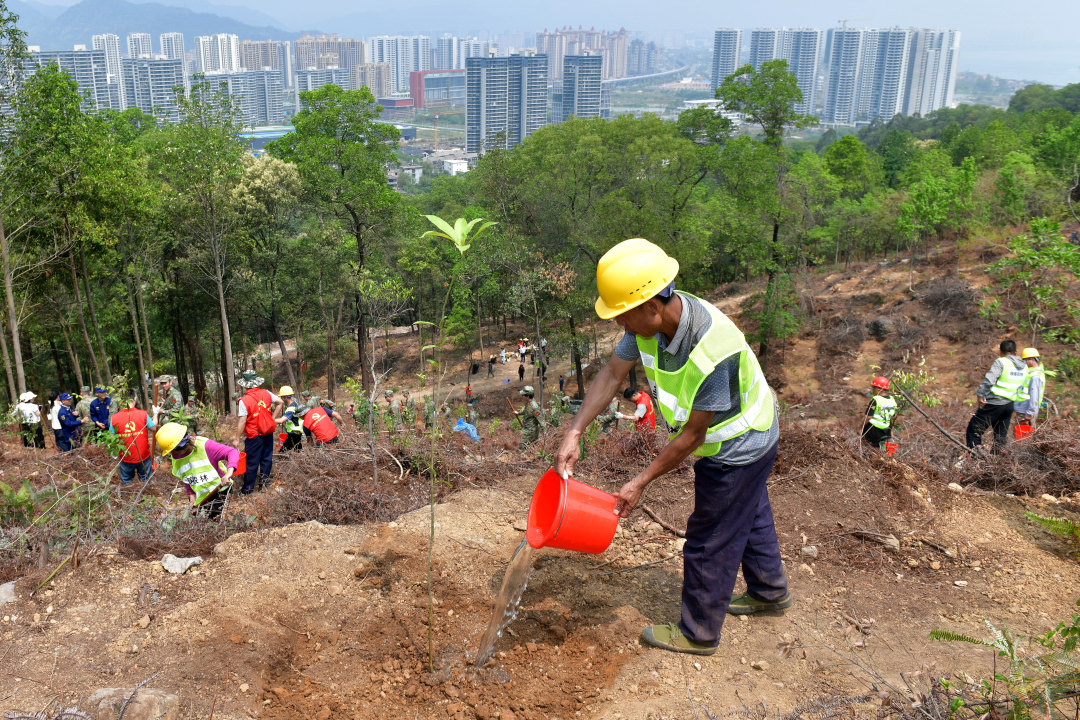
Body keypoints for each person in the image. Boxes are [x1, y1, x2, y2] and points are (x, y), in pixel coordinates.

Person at [554, 238, 787, 656]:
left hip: (741, 444)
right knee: (748, 511)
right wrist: (575, 432)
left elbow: (693, 437)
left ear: (652, 306)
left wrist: (640, 481)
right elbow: (611, 374)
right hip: (741, 438)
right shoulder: (650, 324)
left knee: (708, 536)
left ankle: (698, 632)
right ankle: (769, 592)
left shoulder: (714, 350)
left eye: (623, 317)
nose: (620, 327)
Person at [156, 422, 237, 519]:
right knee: (197, 519)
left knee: (211, 520)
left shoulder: (206, 446)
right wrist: (191, 496)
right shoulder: (176, 458)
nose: (175, 454)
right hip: (199, 494)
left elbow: (232, 452)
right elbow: (186, 478)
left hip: (218, 489)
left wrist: (228, 474)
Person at [965, 340, 1026, 452]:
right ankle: (995, 463)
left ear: (1000, 351)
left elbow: (989, 380)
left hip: (994, 403)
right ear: (1016, 352)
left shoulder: (1001, 362)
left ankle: (975, 458)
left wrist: (980, 394)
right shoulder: (1024, 366)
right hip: (1009, 405)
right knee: (1000, 437)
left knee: (974, 430)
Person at [235, 370, 282, 493]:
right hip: (268, 433)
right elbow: (280, 402)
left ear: (244, 385)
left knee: (251, 462)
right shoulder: (266, 393)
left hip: (254, 436)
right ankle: (264, 485)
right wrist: (272, 419)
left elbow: (242, 421)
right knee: (266, 459)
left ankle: (248, 489)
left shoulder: (244, 401)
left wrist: (237, 438)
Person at [110, 388, 154, 485]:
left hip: (125, 456)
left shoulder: (114, 418)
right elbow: (154, 428)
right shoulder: (143, 414)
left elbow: (111, 437)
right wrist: (157, 414)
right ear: (135, 398)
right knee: (146, 482)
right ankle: (148, 498)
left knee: (126, 483)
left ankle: (128, 498)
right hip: (143, 455)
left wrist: (114, 451)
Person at [861, 376, 898, 451]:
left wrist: (860, 428)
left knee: (868, 448)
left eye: (873, 388)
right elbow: (892, 418)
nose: (873, 390)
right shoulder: (892, 400)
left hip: (872, 429)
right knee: (880, 449)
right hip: (885, 430)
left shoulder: (876, 399)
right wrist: (890, 430)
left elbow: (868, 417)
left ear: (879, 389)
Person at [1015, 348, 1046, 427]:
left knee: (1023, 435)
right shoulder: (1035, 372)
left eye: (1025, 360)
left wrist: (1029, 413)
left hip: (1026, 410)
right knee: (1025, 434)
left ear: (1032, 359)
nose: (1024, 362)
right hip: (1025, 409)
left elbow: (1034, 396)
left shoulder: (1035, 376)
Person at [276, 386, 304, 452]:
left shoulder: (291, 408)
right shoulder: (294, 403)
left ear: (285, 397)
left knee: (282, 452)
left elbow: (281, 420)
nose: (281, 398)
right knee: (298, 451)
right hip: (297, 432)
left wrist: (269, 420)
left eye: (281, 397)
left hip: (294, 433)